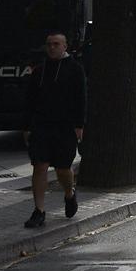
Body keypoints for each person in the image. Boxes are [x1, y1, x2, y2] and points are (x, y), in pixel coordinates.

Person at [22, 31, 85, 230]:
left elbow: (81, 98)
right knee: (39, 165)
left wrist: (79, 125)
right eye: (49, 44)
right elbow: (30, 100)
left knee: (63, 169)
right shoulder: (39, 71)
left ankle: (69, 193)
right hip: (41, 126)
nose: (52, 47)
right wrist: (27, 126)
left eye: (56, 44)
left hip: (65, 126)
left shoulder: (75, 69)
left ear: (65, 46)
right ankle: (39, 210)